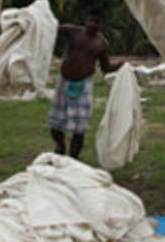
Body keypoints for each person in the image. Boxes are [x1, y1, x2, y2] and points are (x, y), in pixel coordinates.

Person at [48, 15, 122, 159]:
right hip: (64, 80)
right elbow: (50, 29)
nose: (93, 24)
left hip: (84, 83)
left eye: (97, 22)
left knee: (79, 126)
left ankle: (73, 158)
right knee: (55, 122)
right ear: (85, 21)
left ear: (101, 25)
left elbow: (105, 67)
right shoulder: (73, 32)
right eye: (91, 20)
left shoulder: (102, 43)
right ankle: (60, 146)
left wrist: (120, 66)